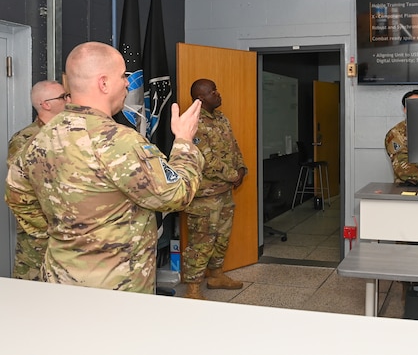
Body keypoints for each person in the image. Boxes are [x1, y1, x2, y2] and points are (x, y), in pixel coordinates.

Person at [5, 41, 204, 293]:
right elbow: (176, 195)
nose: (127, 84)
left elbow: (17, 197)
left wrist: (64, 238)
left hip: (59, 280)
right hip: (116, 288)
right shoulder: (118, 141)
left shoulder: (37, 139)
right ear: (104, 83)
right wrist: (184, 142)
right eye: (123, 76)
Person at [182, 78, 248, 299]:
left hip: (225, 192)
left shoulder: (220, 117)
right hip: (204, 196)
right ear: (201, 98)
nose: (218, 94)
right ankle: (193, 289)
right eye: (213, 92)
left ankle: (216, 275)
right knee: (201, 242)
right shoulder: (193, 122)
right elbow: (206, 160)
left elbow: (233, 145)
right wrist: (233, 176)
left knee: (221, 238)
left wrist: (241, 168)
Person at [6, 80, 70, 280]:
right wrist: (46, 229)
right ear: (46, 104)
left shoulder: (70, 136)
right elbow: (20, 192)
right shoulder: (25, 140)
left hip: (71, 236)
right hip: (39, 240)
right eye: (62, 97)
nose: (68, 100)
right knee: (32, 297)